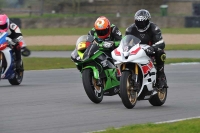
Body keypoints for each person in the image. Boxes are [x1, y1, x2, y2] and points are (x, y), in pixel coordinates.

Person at [125, 9, 168, 89]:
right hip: (136, 51)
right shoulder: (130, 29)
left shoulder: (154, 28)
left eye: (143, 22)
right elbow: (125, 43)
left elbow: (161, 43)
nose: (141, 24)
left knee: (161, 53)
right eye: (139, 22)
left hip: (151, 51)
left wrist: (153, 48)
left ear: (148, 21)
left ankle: (161, 77)